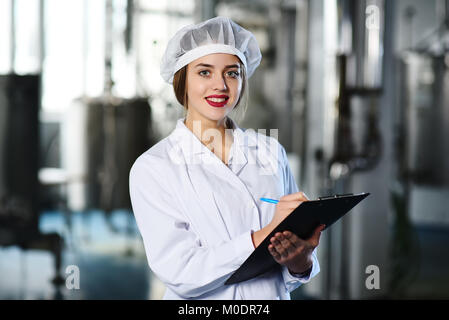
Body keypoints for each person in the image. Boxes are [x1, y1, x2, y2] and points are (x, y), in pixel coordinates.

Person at [129, 16, 325, 300]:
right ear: (182, 80)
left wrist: (299, 261)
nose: (220, 85)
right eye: (204, 72)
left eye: (232, 73)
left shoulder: (270, 153)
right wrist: (265, 236)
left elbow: (286, 276)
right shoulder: (154, 167)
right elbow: (180, 272)